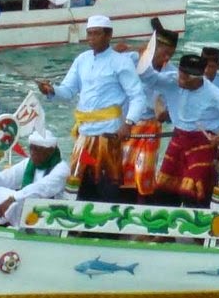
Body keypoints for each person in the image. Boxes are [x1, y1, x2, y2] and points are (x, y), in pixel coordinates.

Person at [38, 13, 151, 199]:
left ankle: (106, 224)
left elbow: (138, 96)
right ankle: (79, 226)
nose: (91, 38)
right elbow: (67, 91)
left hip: (108, 134)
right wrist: (51, 90)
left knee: (107, 184)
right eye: (89, 34)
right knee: (78, 184)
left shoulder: (121, 62)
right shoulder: (82, 59)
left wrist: (129, 123)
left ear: (109, 35)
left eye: (96, 34)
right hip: (84, 134)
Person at [147, 52, 219, 206]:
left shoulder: (216, 95)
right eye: (180, 74)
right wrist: (146, 57)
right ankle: (163, 226)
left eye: (185, 78)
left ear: (198, 78)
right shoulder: (172, 80)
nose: (180, 80)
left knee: (194, 194)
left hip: (202, 143)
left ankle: (196, 225)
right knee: (164, 191)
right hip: (178, 139)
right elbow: (149, 78)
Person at [0, 130, 68, 228]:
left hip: (47, 216)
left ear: (49, 151)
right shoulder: (29, 163)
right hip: (26, 209)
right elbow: (7, 176)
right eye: (31, 148)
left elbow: (41, 188)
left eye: (37, 149)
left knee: (16, 200)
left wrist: (13, 198)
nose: (32, 153)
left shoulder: (62, 169)